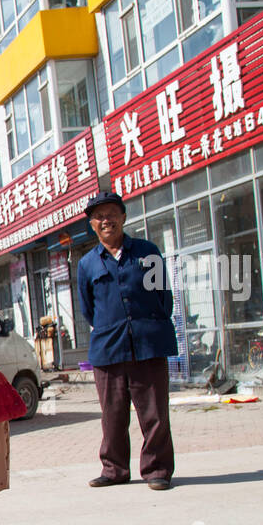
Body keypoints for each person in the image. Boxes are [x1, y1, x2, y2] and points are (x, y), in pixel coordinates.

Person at [76, 191, 178, 491]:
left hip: (149, 344)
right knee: (112, 415)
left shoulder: (147, 251)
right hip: (108, 348)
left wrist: (147, 325)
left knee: (154, 412)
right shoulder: (87, 264)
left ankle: (157, 469)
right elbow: (87, 307)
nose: (106, 220)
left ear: (123, 216)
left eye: (111, 213)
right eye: (99, 216)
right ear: (92, 225)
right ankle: (114, 469)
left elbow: (164, 297)